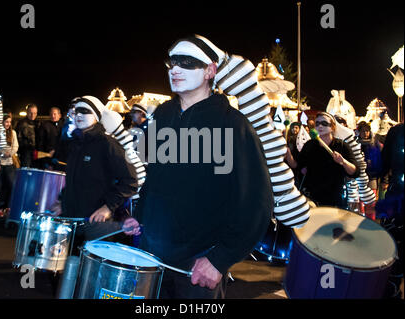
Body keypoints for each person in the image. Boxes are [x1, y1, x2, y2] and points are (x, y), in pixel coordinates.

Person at [133, 35, 272, 299]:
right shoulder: (161, 116)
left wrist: (221, 259)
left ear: (210, 70)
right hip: (152, 255)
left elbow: (257, 201)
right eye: (172, 62)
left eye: (187, 63)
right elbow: (155, 178)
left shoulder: (233, 124)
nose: (175, 69)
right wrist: (140, 217)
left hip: (199, 264)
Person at [51, 95, 141, 253]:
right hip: (72, 220)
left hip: (97, 224)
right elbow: (73, 181)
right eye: (76, 111)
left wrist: (107, 207)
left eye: (84, 111)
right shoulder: (75, 144)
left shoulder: (108, 144)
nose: (78, 115)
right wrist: (62, 202)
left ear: (96, 115)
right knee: (68, 272)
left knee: (91, 274)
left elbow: (131, 180)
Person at [296, 112, 360, 208]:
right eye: (317, 123)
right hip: (313, 198)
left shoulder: (341, 146)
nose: (320, 126)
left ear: (333, 127)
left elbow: (355, 172)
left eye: (324, 123)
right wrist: (302, 169)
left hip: (336, 198)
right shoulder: (309, 145)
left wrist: (343, 162)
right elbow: (298, 167)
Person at [375, 123, 404, 299]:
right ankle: (392, 288)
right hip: (398, 198)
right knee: (393, 249)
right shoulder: (397, 132)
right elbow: (384, 164)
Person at [0, 114, 19, 217]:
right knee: (1, 186)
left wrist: (10, 153)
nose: (8, 124)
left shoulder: (12, 133)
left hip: (9, 162)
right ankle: (0, 207)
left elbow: (15, 146)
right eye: (6, 122)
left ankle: (8, 206)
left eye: (9, 122)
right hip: (0, 163)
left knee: (11, 185)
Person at [15, 103, 39, 168]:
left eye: (34, 113)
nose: (32, 115)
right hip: (25, 153)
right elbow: (18, 139)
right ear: (27, 112)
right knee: (26, 170)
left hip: (37, 153)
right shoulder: (21, 124)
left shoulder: (38, 124)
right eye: (30, 113)